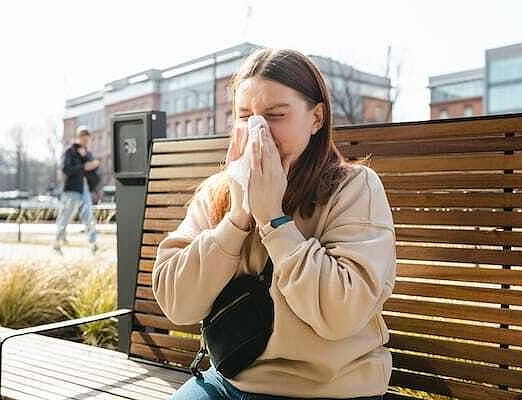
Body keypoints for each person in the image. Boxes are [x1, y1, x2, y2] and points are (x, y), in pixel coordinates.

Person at [153, 48, 396, 400]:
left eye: (275, 114)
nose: (257, 130)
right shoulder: (219, 192)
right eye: (244, 115)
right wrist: (237, 219)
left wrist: (273, 220)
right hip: (228, 381)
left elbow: (341, 311)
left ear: (316, 118)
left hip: (328, 389)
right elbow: (177, 303)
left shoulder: (355, 188)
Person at [54, 125, 100, 255]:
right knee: (65, 216)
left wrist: (90, 163)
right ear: (78, 137)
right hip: (71, 189)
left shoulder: (88, 153)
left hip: (84, 188)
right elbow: (65, 169)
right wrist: (84, 166)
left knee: (88, 215)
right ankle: (57, 243)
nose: (85, 141)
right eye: (83, 138)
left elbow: (92, 170)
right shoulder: (70, 151)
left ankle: (93, 244)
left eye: (87, 139)